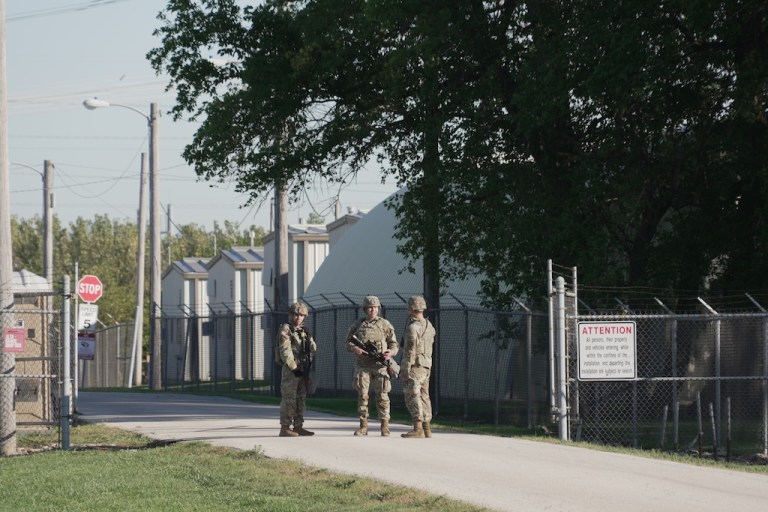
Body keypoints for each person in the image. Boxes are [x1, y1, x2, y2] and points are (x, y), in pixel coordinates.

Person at [346, 295, 399, 436]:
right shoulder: (358, 325)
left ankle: (385, 426)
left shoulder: (385, 324)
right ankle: (363, 426)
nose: (372, 310)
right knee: (363, 396)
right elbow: (348, 342)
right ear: (365, 309)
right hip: (363, 366)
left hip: (380, 366)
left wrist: (391, 352)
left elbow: (394, 343)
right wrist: (354, 349)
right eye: (369, 307)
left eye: (375, 307)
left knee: (382, 396)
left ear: (378, 309)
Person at [275, 301, 317, 437]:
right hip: (291, 370)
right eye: (295, 315)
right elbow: (285, 351)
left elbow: (313, 349)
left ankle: (298, 426)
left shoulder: (304, 331)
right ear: (291, 315)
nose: (298, 318)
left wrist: (309, 338)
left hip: (303, 368)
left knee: (301, 397)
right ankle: (285, 427)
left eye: (301, 315)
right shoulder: (286, 330)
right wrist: (294, 368)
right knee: (289, 398)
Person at [399, 295, 437, 438]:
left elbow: (410, 351)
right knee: (424, 395)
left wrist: (405, 370)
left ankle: (418, 427)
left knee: (412, 395)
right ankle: (427, 427)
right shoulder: (429, 326)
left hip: (415, 365)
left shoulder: (413, 328)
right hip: (426, 364)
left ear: (411, 308)